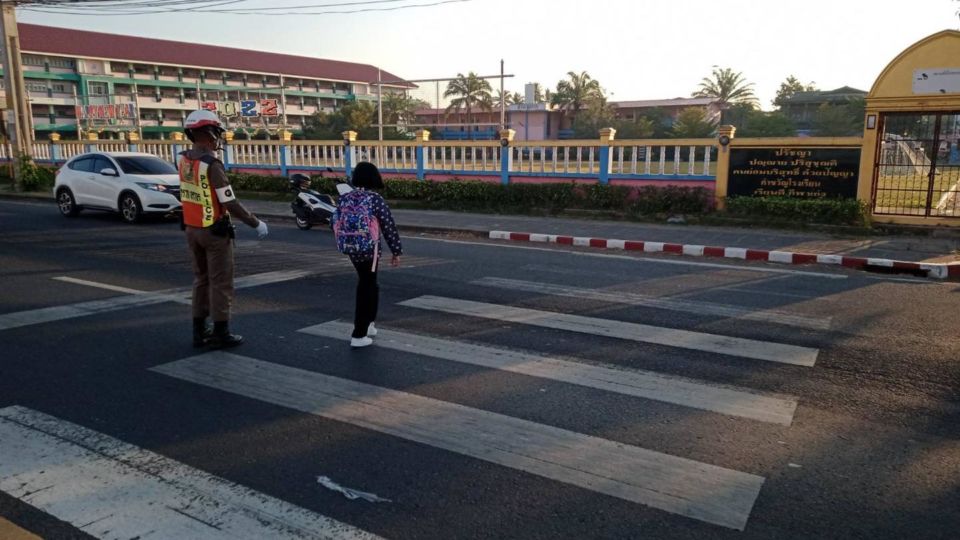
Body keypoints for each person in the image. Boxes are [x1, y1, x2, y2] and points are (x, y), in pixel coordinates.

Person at [179, 109, 269, 349]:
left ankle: (199, 331)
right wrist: (254, 222)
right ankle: (221, 332)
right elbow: (228, 201)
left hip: (192, 228)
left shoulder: (185, 160)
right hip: (214, 233)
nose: (218, 138)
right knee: (221, 283)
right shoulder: (211, 164)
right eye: (217, 133)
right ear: (209, 134)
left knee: (201, 280)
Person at [334, 162, 402, 348]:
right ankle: (359, 334)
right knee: (367, 286)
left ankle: (369, 325)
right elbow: (388, 226)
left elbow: (336, 221)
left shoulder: (345, 197)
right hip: (369, 248)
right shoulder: (374, 199)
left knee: (369, 282)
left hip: (349, 247)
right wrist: (396, 251)